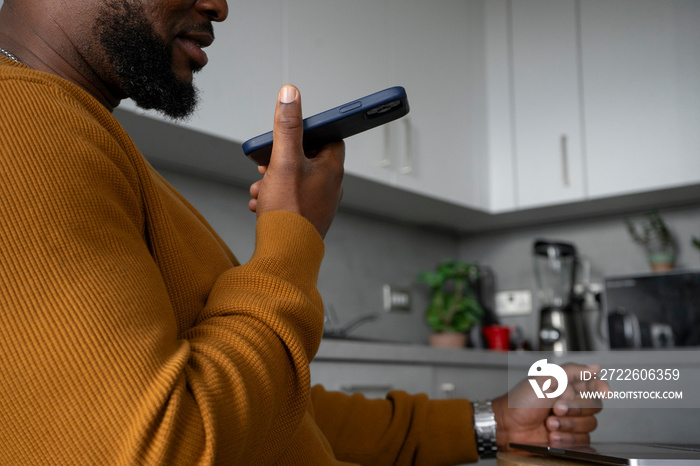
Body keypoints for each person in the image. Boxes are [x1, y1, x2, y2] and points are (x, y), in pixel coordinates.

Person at [0, 0, 607, 464]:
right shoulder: (25, 125)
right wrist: (293, 236)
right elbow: (169, 446)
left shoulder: (82, 139)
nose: (220, 5)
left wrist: (491, 424)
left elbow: (267, 412)